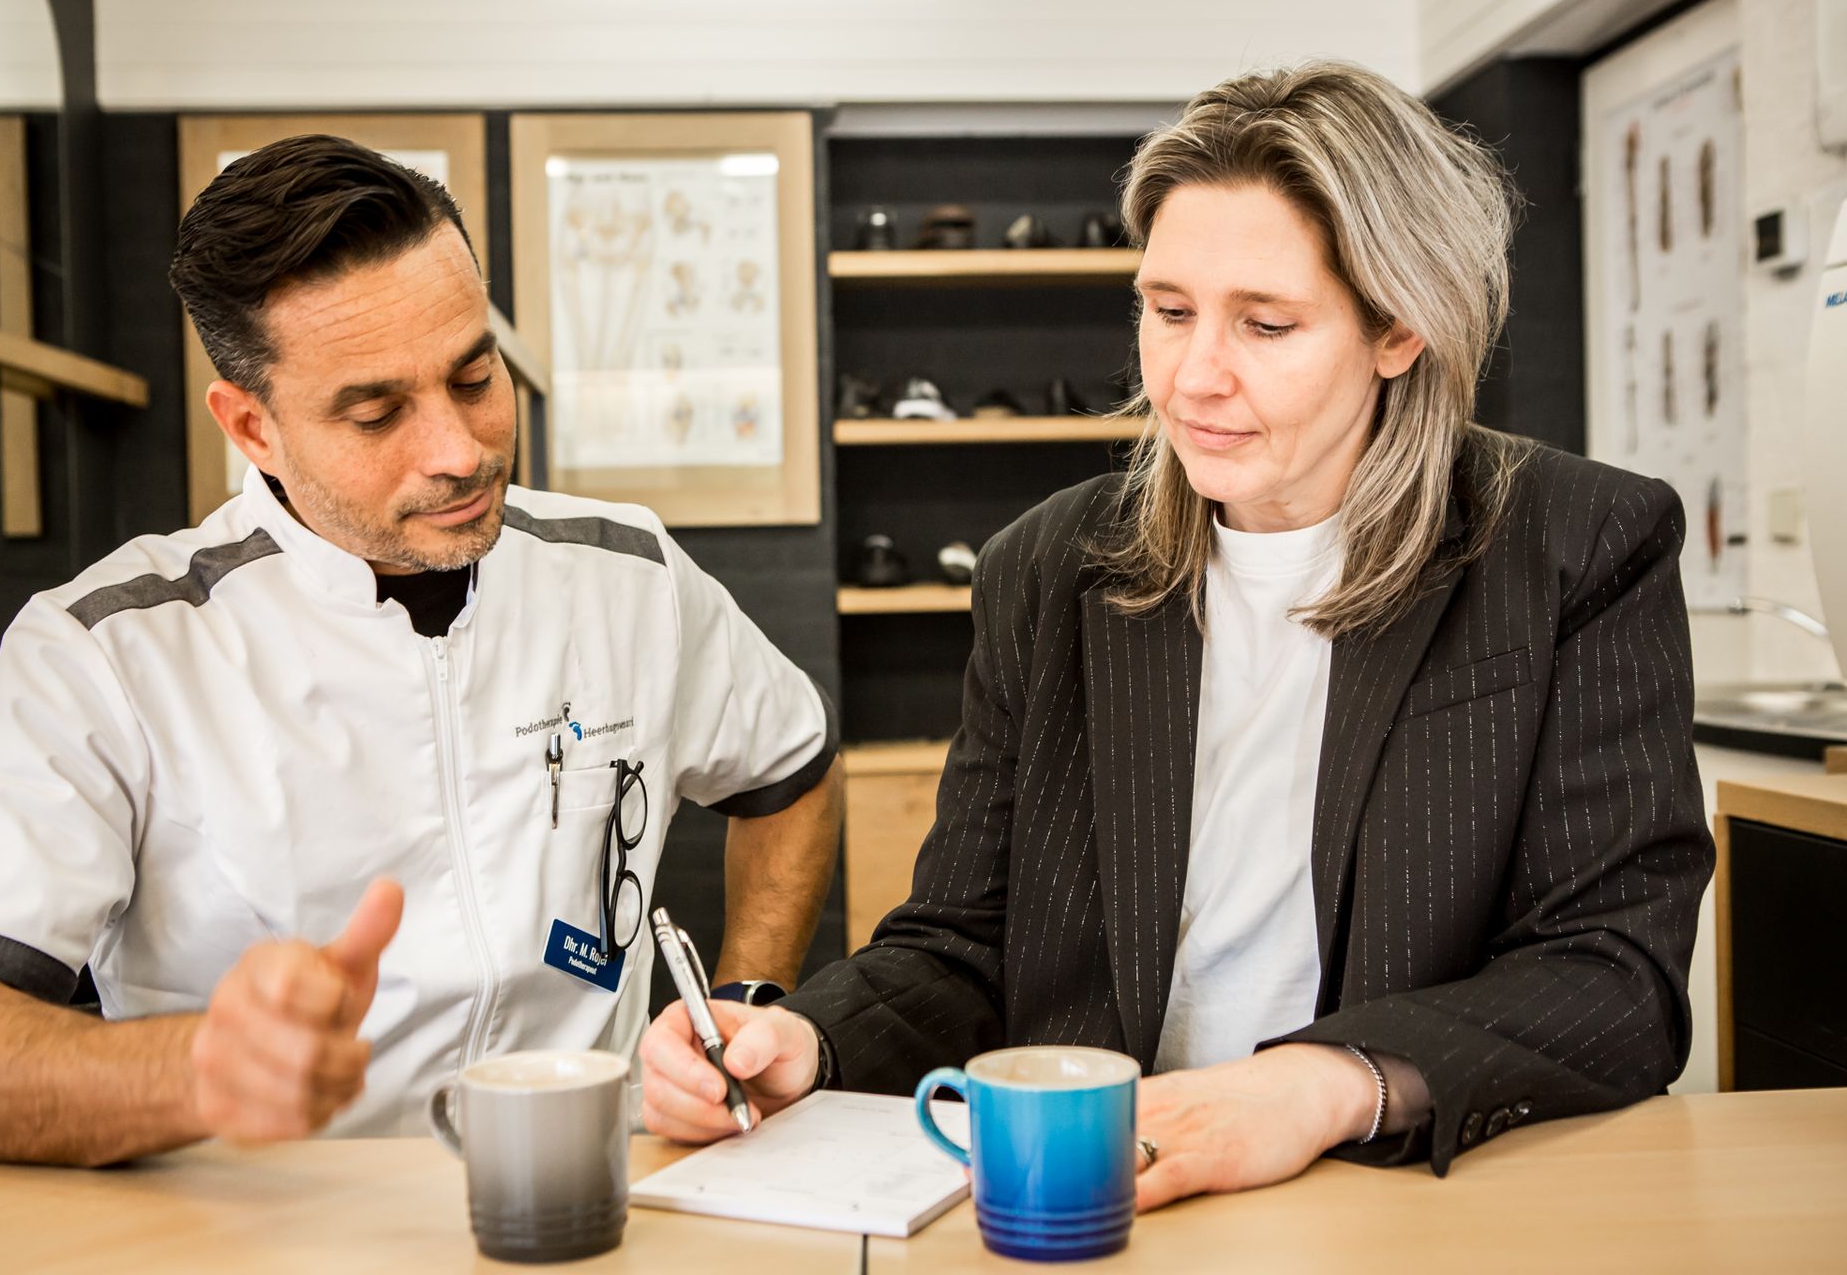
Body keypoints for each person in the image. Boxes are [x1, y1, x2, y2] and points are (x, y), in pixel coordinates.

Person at [639, 60, 1714, 1210]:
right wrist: (806, 1040)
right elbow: (960, 943)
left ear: (1401, 327)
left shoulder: (1577, 547)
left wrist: (1319, 1083)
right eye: (1167, 312)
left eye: (1266, 323)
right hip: (1107, 1193)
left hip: (1420, 1196)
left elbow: (1614, 976)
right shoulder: (1047, 572)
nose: (1194, 378)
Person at [0, 135, 843, 1165]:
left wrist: (743, 1002)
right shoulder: (105, 652)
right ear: (253, 427)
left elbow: (790, 772)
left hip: (596, 1196)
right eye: (376, 412)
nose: (461, 450)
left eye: (474, 373)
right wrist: (192, 1071)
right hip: (267, 1231)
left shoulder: (627, 573)